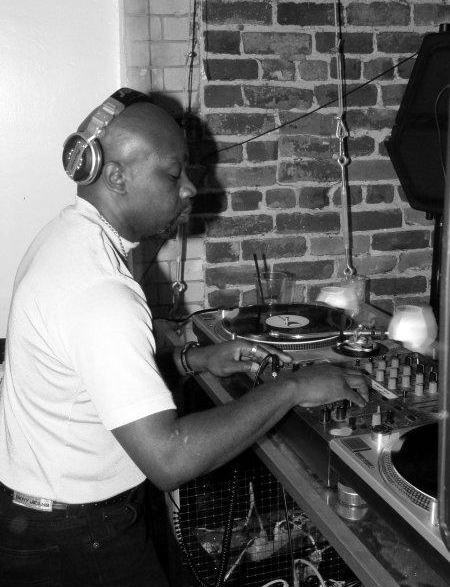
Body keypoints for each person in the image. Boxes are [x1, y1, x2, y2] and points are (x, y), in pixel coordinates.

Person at [0, 89, 368, 587]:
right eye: (174, 175)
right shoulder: (101, 292)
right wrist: (293, 387)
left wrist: (196, 360)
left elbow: (92, 388)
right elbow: (169, 459)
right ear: (116, 176)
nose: (190, 188)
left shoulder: (65, 239)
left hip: (48, 519)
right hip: (76, 538)